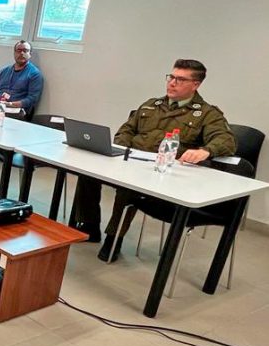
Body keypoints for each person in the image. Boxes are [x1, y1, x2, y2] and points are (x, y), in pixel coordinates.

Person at [70, 59, 237, 262]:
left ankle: (114, 239)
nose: (172, 83)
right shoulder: (152, 104)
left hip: (162, 173)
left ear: (196, 85)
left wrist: (205, 151)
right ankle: (89, 226)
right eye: (171, 77)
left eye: (180, 79)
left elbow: (226, 140)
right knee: (89, 172)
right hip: (131, 160)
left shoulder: (207, 114)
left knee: (127, 188)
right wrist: (121, 150)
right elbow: (127, 129)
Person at [0, 40, 43, 115]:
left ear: (30, 54)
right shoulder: (4, 71)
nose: (22, 53)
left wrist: (10, 104)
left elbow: (32, 99)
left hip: (16, 111)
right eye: (19, 50)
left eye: (25, 51)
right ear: (14, 53)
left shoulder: (34, 74)